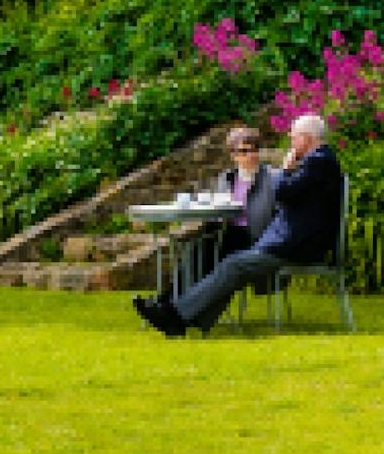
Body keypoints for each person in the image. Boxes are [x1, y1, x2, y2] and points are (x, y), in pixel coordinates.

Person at [134, 113, 344, 337]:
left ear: (305, 138)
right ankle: (179, 316)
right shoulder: (318, 161)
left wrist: (285, 168)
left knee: (233, 264)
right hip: (290, 241)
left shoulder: (318, 162)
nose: (291, 142)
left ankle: (175, 316)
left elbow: (283, 192)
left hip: (296, 245)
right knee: (216, 256)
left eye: (293, 137)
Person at [200, 126, 279, 272]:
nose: (250, 155)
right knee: (197, 248)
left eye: (254, 150)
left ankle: (181, 294)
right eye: (244, 151)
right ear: (233, 155)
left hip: (256, 237)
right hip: (228, 234)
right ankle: (170, 295)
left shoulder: (273, 177)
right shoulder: (226, 178)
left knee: (206, 255)